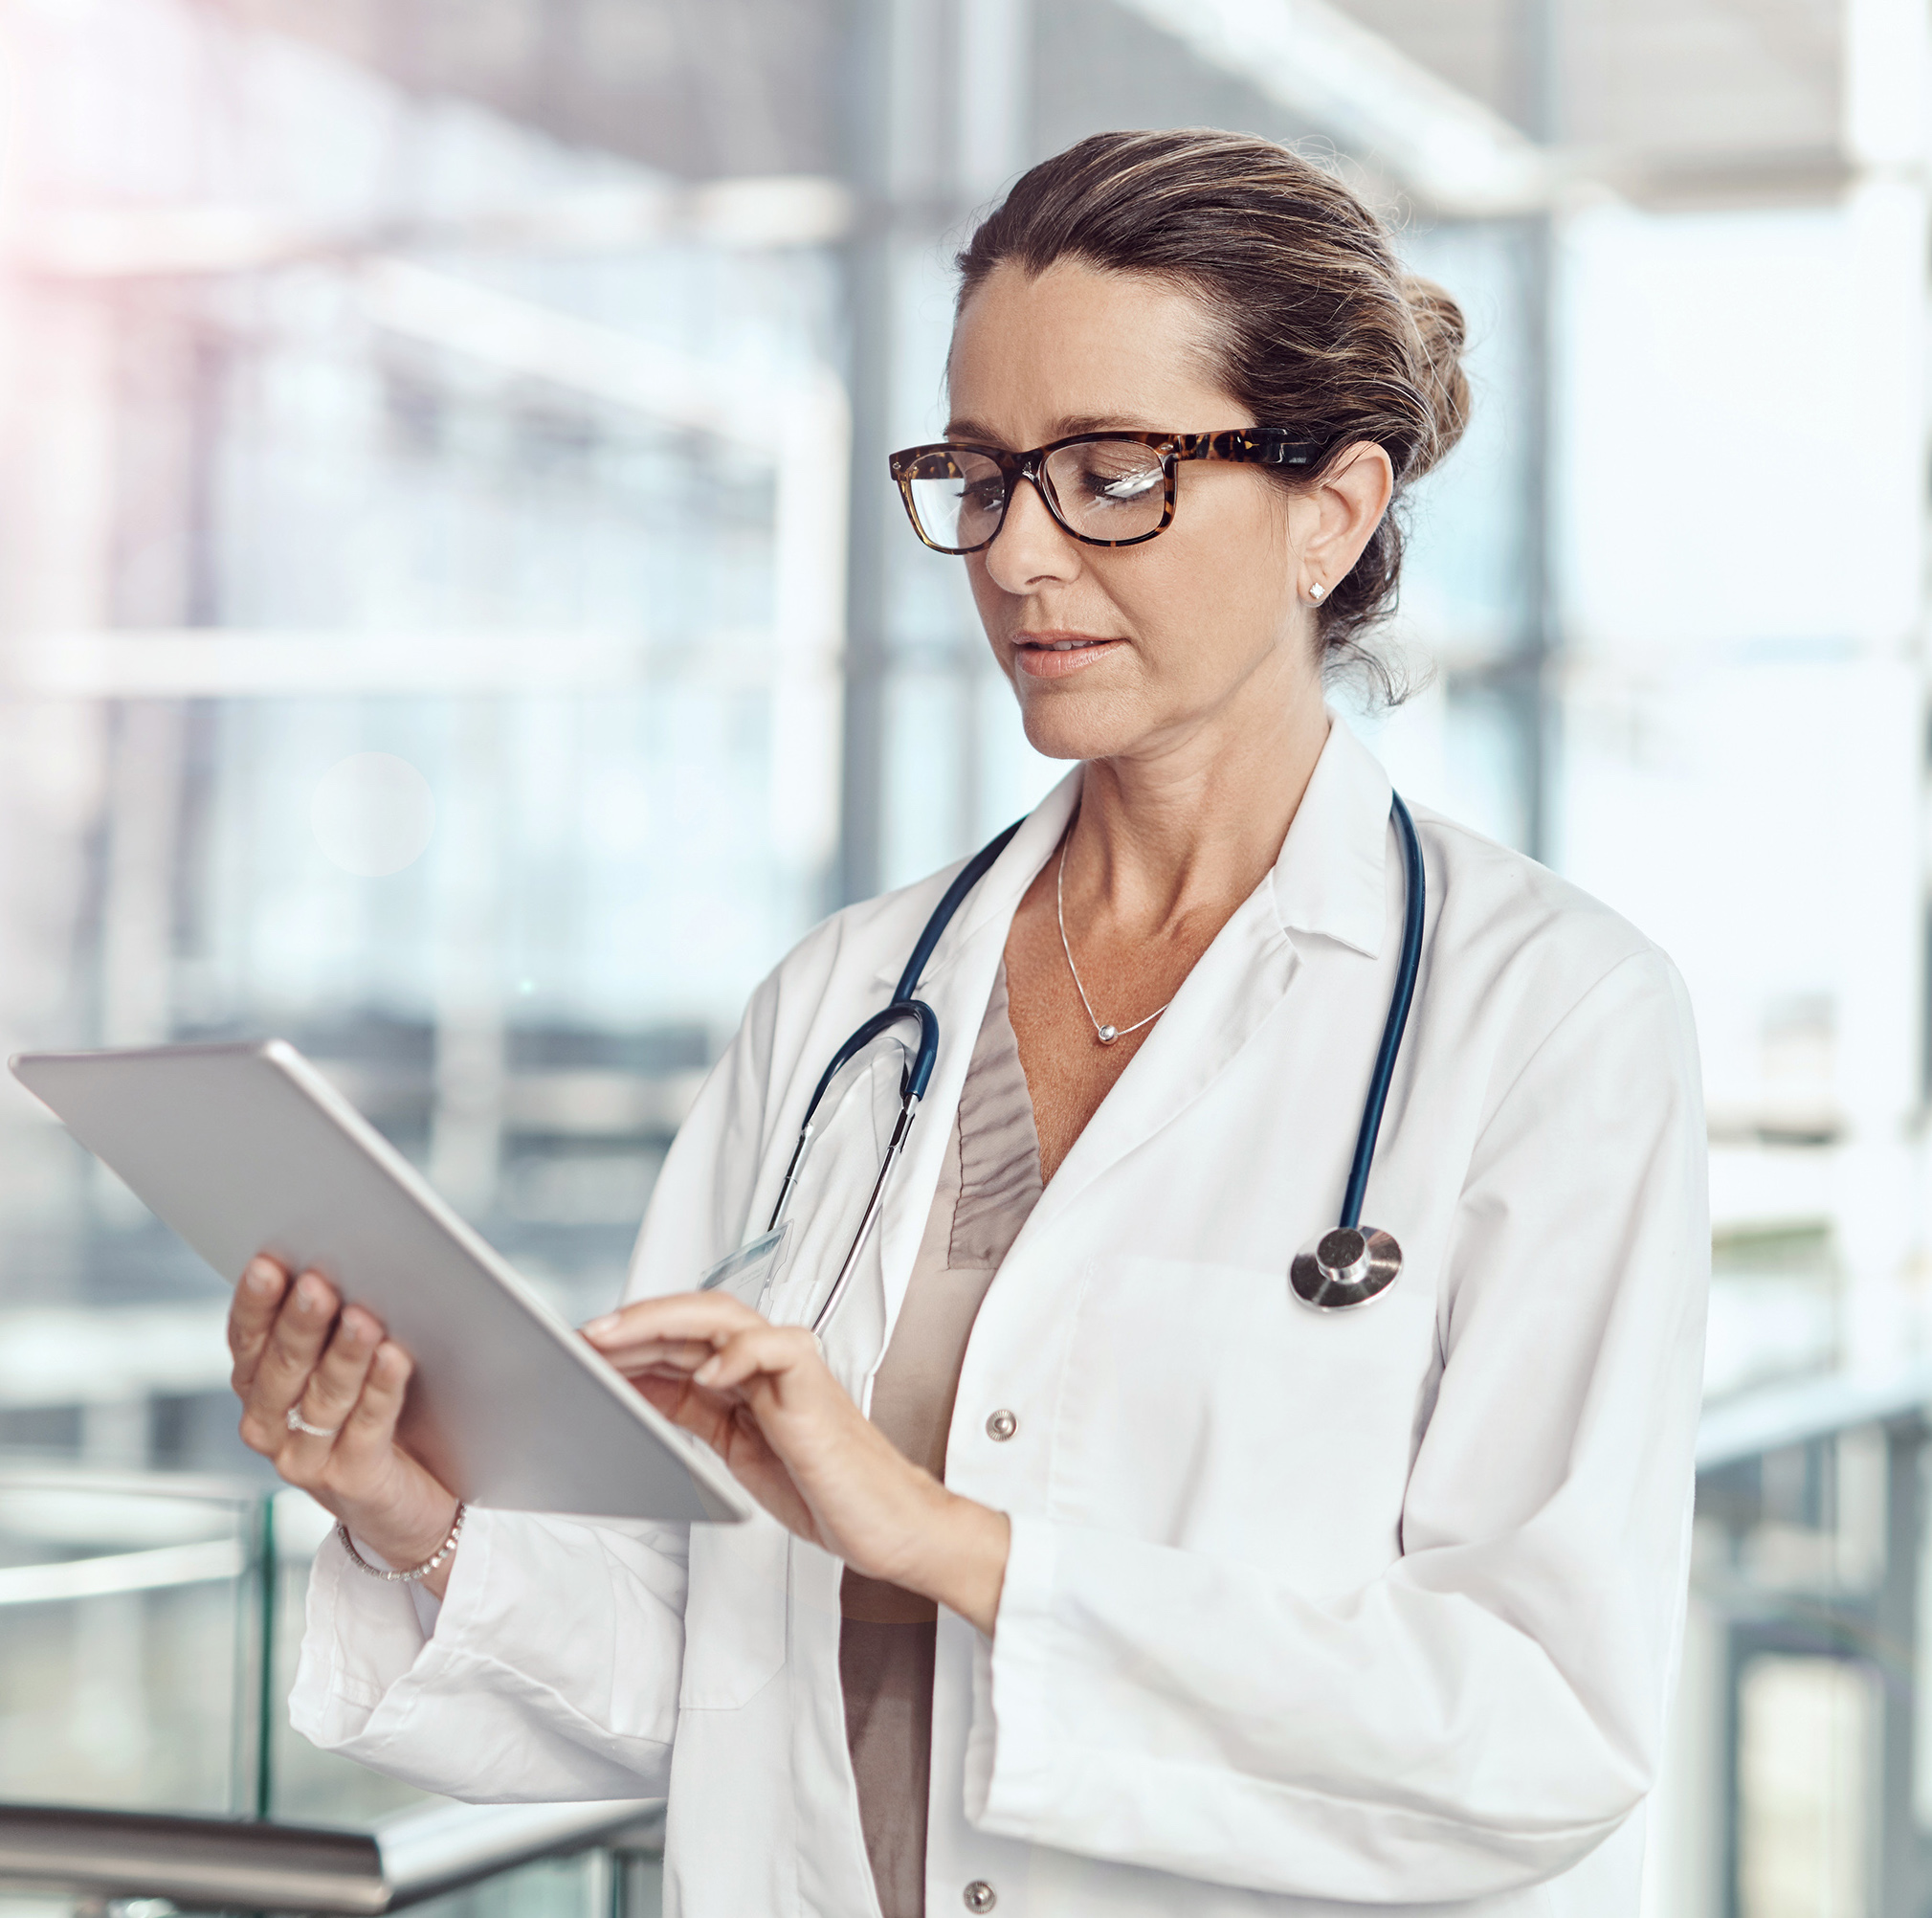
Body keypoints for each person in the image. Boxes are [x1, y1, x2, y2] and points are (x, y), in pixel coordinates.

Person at [226, 129, 1708, 1916]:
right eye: (980, 474)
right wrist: (412, 1510)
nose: (1017, 555)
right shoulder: (845, 1006)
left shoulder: (1552, 1022)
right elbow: (712, 1678)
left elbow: (1536, 1731)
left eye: (1111, 473)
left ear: (1335, 509)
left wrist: (956, 1546)